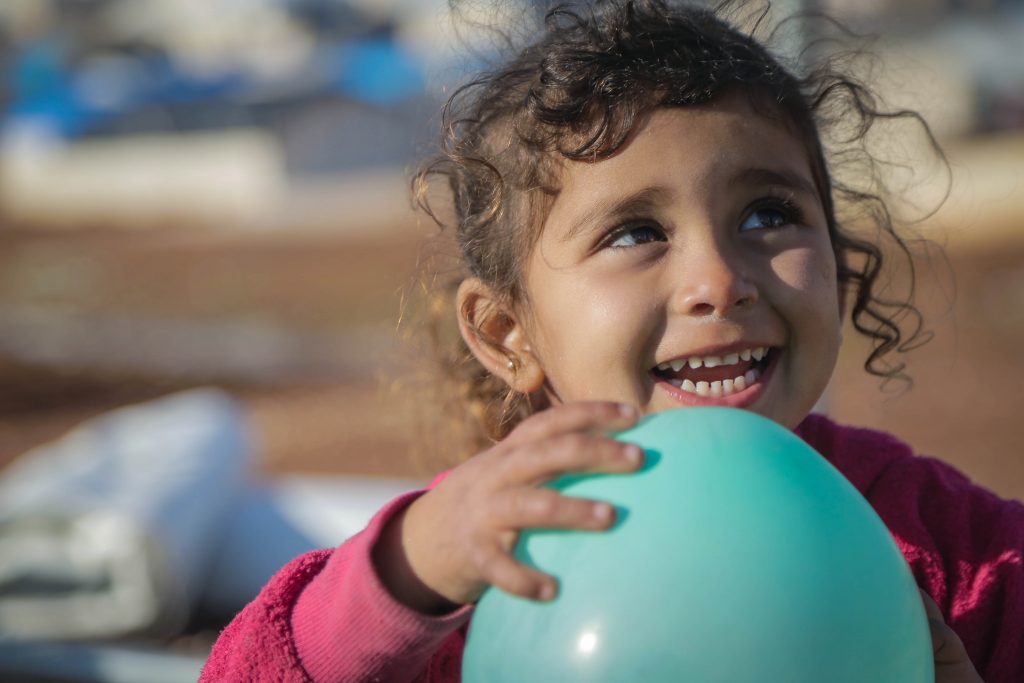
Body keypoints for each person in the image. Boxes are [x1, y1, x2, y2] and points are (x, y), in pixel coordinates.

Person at [200, 1, 1021, 681]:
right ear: (506, 331)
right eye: (635, 233)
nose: (719, 280)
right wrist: (408, 572)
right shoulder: (488, 543)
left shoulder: (951, 542)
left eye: (768, 215)